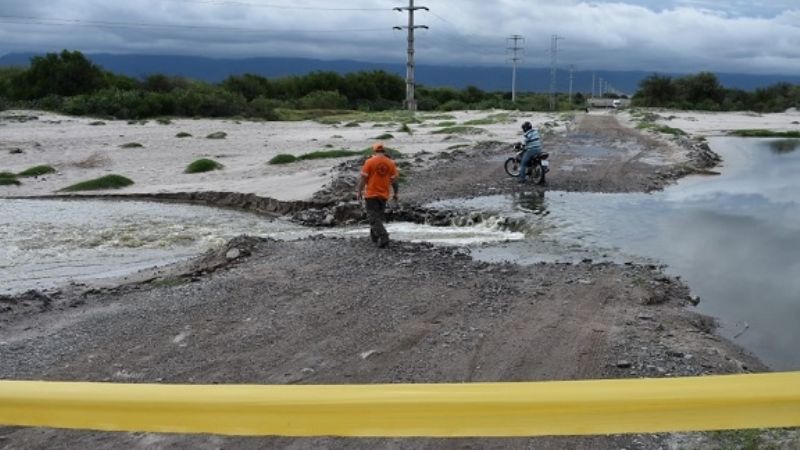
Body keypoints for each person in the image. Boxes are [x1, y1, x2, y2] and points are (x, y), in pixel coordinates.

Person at [356, 142, 399, 248]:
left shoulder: (369, 162)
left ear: (374, 151)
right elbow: (394, 181)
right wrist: (396, 193)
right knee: (377, 217)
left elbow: (363, 178)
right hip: (384, 194)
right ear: (384, 151)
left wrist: (359, 191)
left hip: (371, 194)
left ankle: (384, 237)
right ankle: (374, 237)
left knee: (373, 217)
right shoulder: (391, 163)